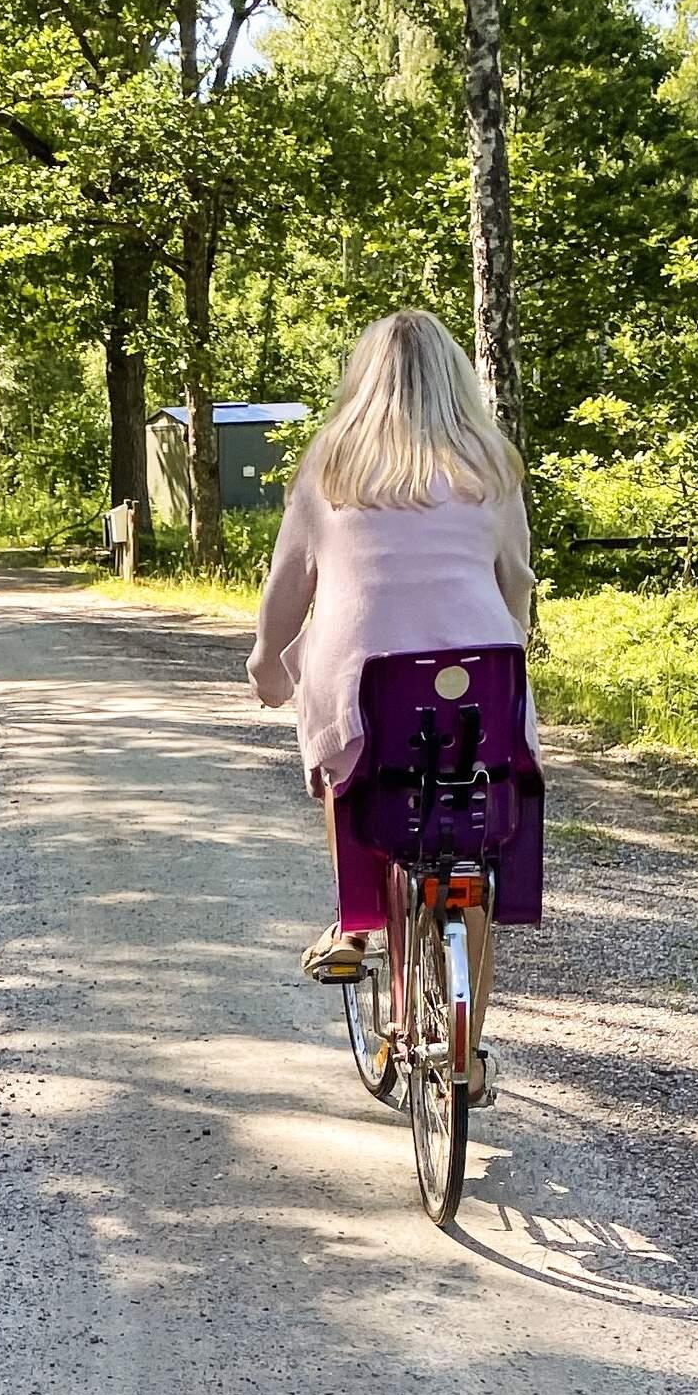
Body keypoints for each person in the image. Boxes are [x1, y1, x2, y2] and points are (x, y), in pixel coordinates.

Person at [246, 308, 534, 1101]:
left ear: (365, 380)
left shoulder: (332, 463)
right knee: (470, 842)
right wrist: (511, 642)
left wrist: (268, 668)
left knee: (354, 774)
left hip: (365, 690)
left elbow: (287, 589)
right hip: (482, 689)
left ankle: (359, 919)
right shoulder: (492, 465)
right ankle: (467, 1054)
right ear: (455, 380)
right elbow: (515, 581)